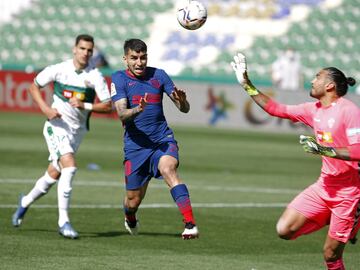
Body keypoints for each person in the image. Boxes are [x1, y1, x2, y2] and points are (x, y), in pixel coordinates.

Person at [231, 52, 360, 269]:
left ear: (329, 86)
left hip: (349, 193)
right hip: (324, 186)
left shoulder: (349, 110)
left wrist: (324, 150)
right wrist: (246, 84)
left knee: (330, 255)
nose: (312, 80)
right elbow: (276, 109)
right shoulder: (313, 110)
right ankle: (334, 219)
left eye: (317, 77)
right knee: (284, 230)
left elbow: (358, 150)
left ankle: (349, 219)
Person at [12, 34, 113, 239]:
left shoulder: (95, 75)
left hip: (77, 132)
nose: (85, 53)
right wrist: (46, 109)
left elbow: (108, 105)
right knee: (70, 166)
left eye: (89, 50)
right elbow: (34, 86)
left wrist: (85, 105)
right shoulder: (58, 69)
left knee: (53, 175)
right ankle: (63, 221)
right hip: (55, 126)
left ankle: (24, 202)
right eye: (82, 48)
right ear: (74, 49)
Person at [110, 38, 199, 239]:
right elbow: (122, 114)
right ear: (125, 59)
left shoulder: (159, 75)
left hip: (162, 139)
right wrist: (138, 109)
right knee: (132, 201)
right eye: (134, 58)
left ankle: (190, 224)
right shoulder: (119, 78)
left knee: (168, 168)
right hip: (135, 147)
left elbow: (184, 109)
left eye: (143, 57)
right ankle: (130, 217)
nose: (139, 62)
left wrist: (183, 102)